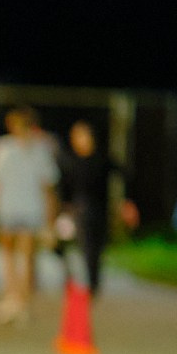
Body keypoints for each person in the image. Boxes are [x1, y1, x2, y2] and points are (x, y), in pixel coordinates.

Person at [0, 105, 59, 324]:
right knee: (15, 256)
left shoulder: (34, 149)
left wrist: (50, 217)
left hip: (24, 208)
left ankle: (19, 301)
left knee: (20, 257)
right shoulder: (5, 147)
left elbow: (47, 187)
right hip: (13, 207)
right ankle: (15, 300)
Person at [58, 120, 115, 296]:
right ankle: (80, 282)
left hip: (100, 209)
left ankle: (92, 282)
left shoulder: (102, 159)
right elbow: (62, 186)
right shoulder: (68, 160)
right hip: (77, 209)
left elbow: (122, 175)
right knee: (81, 246)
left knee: (96, 249)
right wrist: (63, 207)